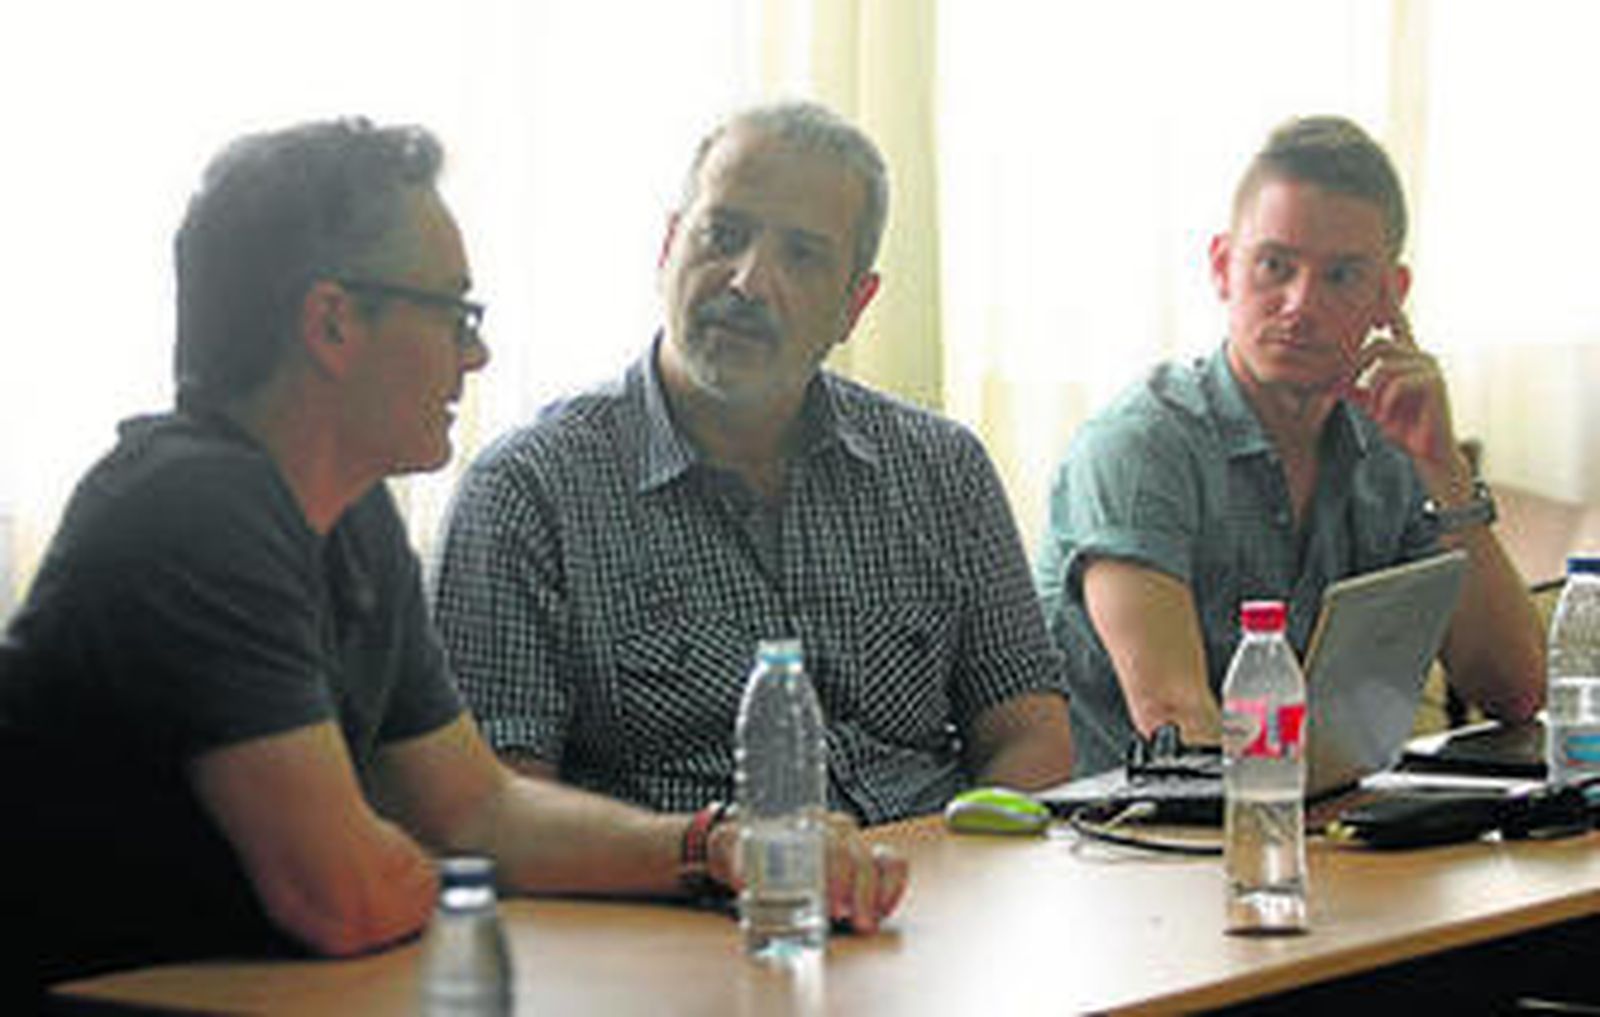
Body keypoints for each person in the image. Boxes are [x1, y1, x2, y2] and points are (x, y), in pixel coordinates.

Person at [0, 118, 905, 993]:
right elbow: (345, 897)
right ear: (334, 324)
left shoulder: (344, 512)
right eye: (454, 312)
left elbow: (481, 809)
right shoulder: (192, 506)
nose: (476, 355)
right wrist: (446, 864)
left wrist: (713, 842)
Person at [429, 101, 1074, 826]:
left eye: (801, 255)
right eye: (722, 235)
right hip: (677, 915)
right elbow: (499, 808)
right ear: (669, 245)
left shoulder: (942, 469)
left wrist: (948, 875)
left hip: (928, 899)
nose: (747, 281)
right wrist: (716, 861)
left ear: (854, 306)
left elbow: (1029, 731)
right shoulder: (529, 489)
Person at [1034, 115, 1546, 776]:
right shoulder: (1141, 444)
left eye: (1341, 276)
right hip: (1128, 839)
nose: (1300, 304)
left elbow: (1516, 691)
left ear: (1392, 294)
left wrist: (1443, 468)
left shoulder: (1390, 443)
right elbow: (1174, 716)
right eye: (1275, 266)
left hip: (1314, 823)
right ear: (1223, 268)